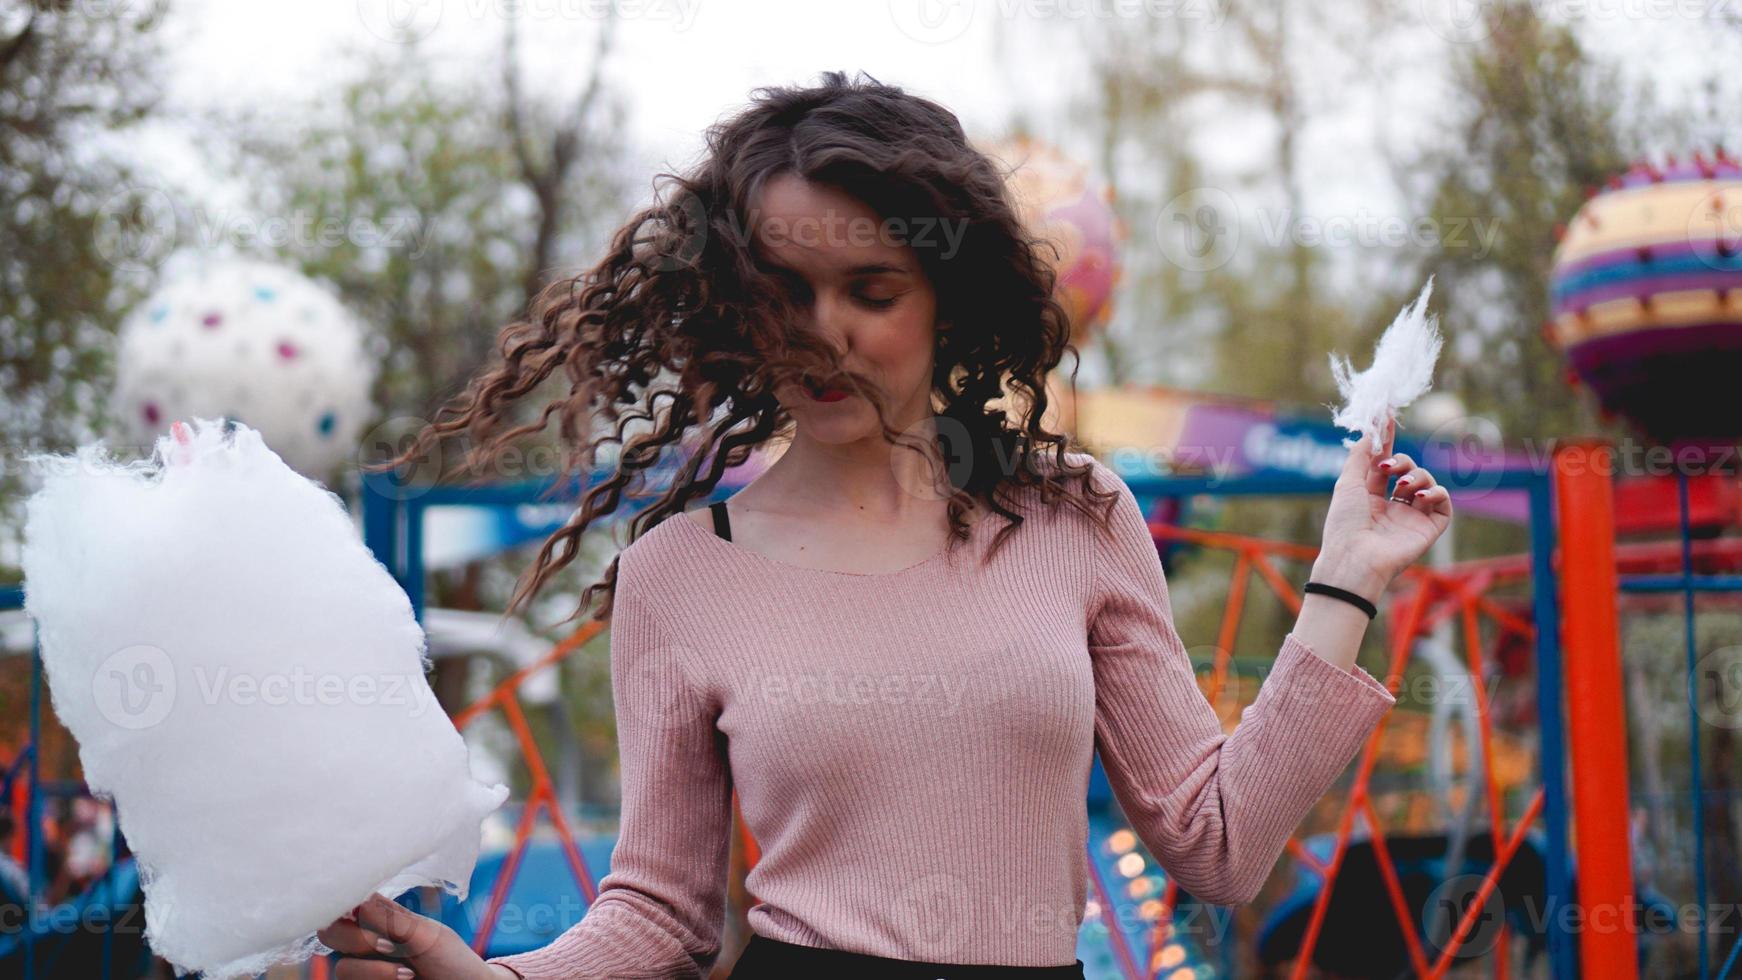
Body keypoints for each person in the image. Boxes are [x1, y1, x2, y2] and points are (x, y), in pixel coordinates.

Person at [320, 70, 1451, 980]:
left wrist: (1345, 575)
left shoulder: (1074, 517)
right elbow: (661, 911)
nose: (824, 333)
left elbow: (1217, 843)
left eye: (870, 289)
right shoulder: (678, 572)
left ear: (943, 298)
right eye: (785, 290)